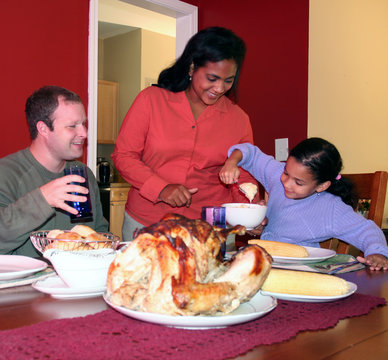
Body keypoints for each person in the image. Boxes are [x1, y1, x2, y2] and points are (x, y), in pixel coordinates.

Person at [112, 27, 258, 241]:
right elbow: (123, 156)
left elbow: (243, 174)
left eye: (228, 81)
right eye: (212, 78)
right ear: (192, 67)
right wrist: (161, 188)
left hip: (208, 229)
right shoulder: (151, 100)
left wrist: (251, 211)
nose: (219, 88)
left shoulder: (238, 119)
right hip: (148, 221)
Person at [0, 85, 108, 257]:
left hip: (71, 281)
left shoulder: (82, 174)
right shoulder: (5, 173)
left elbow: (99, 235)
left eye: (83, 124)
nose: (84, 133)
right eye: (72, 126)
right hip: (17, 281)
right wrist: (42, 200)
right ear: (43, 129)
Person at [219, 138, 388, 271]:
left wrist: (377, 253)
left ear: (322, 186)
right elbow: (250, 153)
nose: (286, 183)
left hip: (302, 273)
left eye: (298, 183)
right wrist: (231, 162)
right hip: (264, 266)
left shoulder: (331, 209)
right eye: (286, 172)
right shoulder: (277, 176)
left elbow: (366, 230)